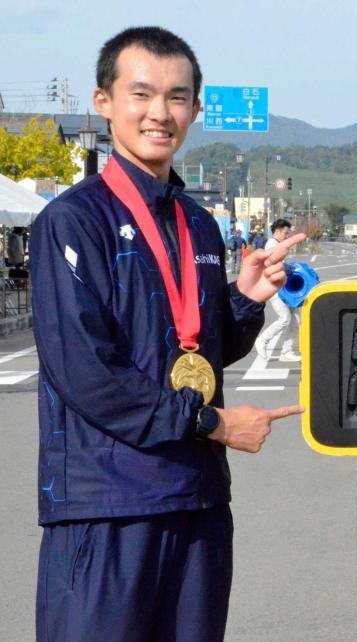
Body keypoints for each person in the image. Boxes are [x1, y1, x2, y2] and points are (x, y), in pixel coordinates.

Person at [29, 27, 306, 642]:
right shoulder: (71, 221)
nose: (160, 113)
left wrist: (245, 297)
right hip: (106, 508)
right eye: (142, 94)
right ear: (104, 103)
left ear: (195, 110)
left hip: (198, 502)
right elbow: (87, 373)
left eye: (177, 97)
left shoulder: (200, 225)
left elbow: (194, 350)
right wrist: (212, 424)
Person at [254, 219, 302, 362]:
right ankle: (263, 340)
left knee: (295, 319)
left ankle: (287, 351)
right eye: (286, 233)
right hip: (274, 287)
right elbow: (273, 264)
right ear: (278, 231)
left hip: (282, 286)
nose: (287, 236)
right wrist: (287, 268)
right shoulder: (272, 244)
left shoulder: (277, 244)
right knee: (285, 318)